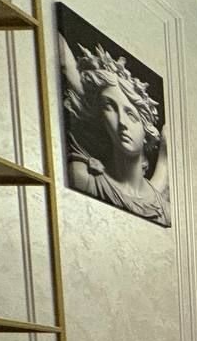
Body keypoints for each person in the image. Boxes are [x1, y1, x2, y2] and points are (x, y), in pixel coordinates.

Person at [59, 35, 171, 227]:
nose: (122, 122)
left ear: (146, 130)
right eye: (110, 107)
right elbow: (64, 61)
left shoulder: (165, 208)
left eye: (131, 114)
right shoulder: (84, 177)